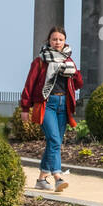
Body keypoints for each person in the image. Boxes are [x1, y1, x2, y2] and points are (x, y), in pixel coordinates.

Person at [19, 27, 83, 192]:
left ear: (65, 42)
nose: (57, 42)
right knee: (54, 140)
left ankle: (41, 179)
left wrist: (74, 73)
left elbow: (78, 84)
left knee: (54, 143)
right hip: (47, 104)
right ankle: (57, 176)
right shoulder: (40, 61)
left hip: (64, 105)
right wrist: (25, 108)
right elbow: (29, 85)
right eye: (54, 39)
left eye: (60, 39)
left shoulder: (68, 61)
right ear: (49, 41)